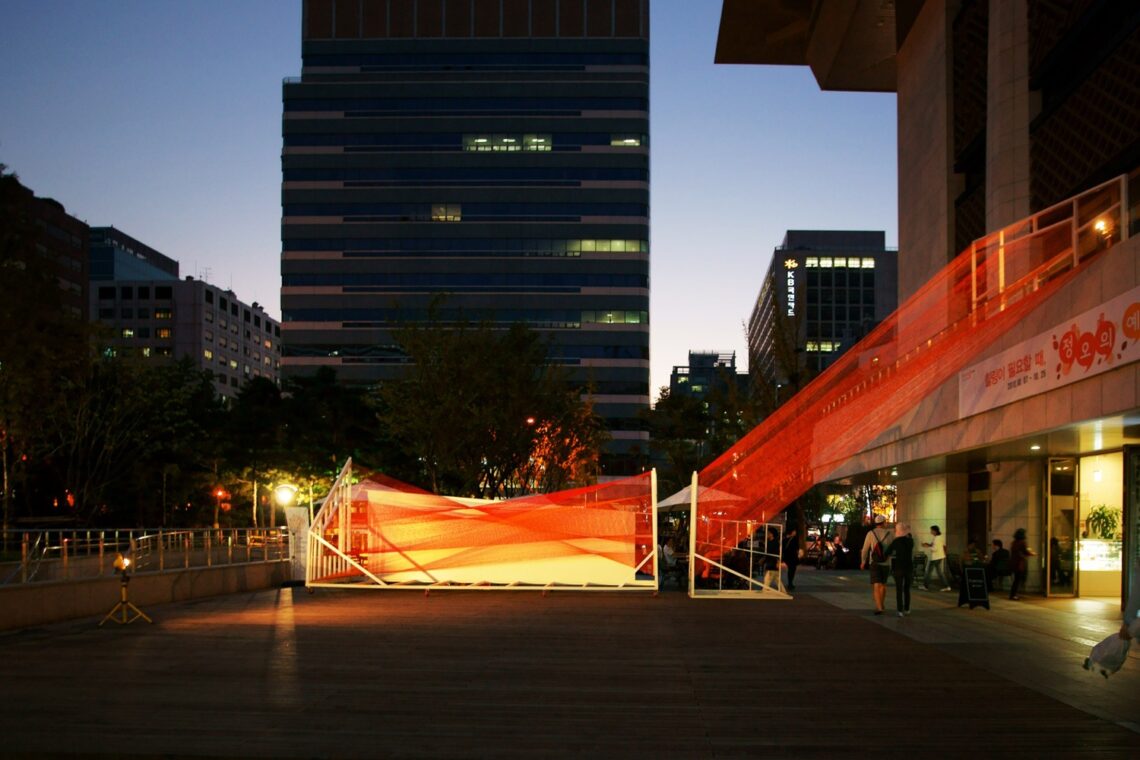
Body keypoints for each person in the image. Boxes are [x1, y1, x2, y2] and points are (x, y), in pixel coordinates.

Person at [860, 515, 893, 615]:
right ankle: (881, 604)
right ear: (883, 523)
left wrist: (863, 561)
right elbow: (892, 548)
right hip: (886, 562)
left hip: (874, 562)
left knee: (876, 585)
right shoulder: (890, 534)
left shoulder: (871, 533)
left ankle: (879, 608)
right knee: (883, 585)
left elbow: (865, 549)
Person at [885, 522, 915, 617]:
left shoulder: (896, 541)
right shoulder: (910, 541)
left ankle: (900, 610)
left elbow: (887, 552)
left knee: (899, 589)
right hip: (909, 567)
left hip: (898, 567)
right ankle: (907, 608)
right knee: (907, 588)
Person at [920, 525, 951, 591]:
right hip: (940, 556)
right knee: (939, 572)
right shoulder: (939, 537)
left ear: (934, 531)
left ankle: (926, 586)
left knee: (929, 572)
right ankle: (947, 586)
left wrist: (927, 546)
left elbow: (935, 548)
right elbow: (941, 545)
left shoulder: (936, 538)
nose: (931, 531)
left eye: (931, 530)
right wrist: (928, 545)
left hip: (935, 557)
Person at [1009, 528, 1035, 600]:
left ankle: (1013, 594)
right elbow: (1026, 551)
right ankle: (1013, 595)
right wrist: (1032, 553)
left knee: (1016, 580)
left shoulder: (1014, 542)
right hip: (1019, 564)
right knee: (1017, 580)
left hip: (1013, 563)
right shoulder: (1022, 542)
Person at [782, 525, 800, 591]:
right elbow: (797, 548)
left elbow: (783, 548)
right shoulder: (795, 539)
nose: (795, 532)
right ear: (792, 532)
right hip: (793, 557)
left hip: (786, 557)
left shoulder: (784, 539)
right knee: (792, 570)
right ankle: (790, 583)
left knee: (790, 570)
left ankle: (790, 583)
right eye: (794, 531)